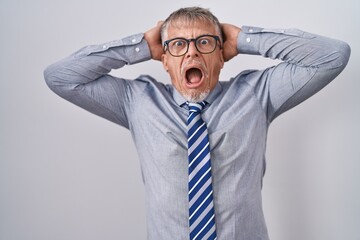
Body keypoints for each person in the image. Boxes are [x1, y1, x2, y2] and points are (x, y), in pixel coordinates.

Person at [44, 6, 350, 240]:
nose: (191, 51)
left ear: (222, 55)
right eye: (177, 45)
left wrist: (244, 38)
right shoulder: (136, 101)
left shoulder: (258, 95)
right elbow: (61, 77)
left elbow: (333, 56)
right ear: (164, 60)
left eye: (204, 42)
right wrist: (139, 46)